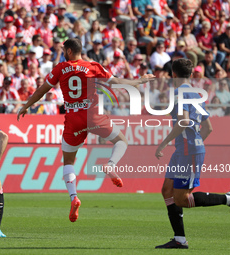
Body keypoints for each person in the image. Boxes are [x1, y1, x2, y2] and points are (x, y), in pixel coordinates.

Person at [17, 38, 154, 222]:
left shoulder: (60, 69)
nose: (63, 53)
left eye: (64, 50)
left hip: (74, 119)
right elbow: (117, 82)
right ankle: (110, 165)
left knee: (68, 161)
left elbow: (42, 90)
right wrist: (138, 81)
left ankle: (74, 197)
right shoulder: (92, 66)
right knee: (121, 141)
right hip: (93, 115)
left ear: (69, 51)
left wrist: (26, 106)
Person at [155, 58, 230, 249]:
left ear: (173, 74)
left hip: (186, 150)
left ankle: (229, 198)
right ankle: (179, 240)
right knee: (167, 190)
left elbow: (183, 121)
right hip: (185, 149)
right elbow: (208, 128)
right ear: (191, 75)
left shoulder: (179, 92)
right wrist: (194, 143)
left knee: (182, 199)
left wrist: (165, 143)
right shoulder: (196, 94)